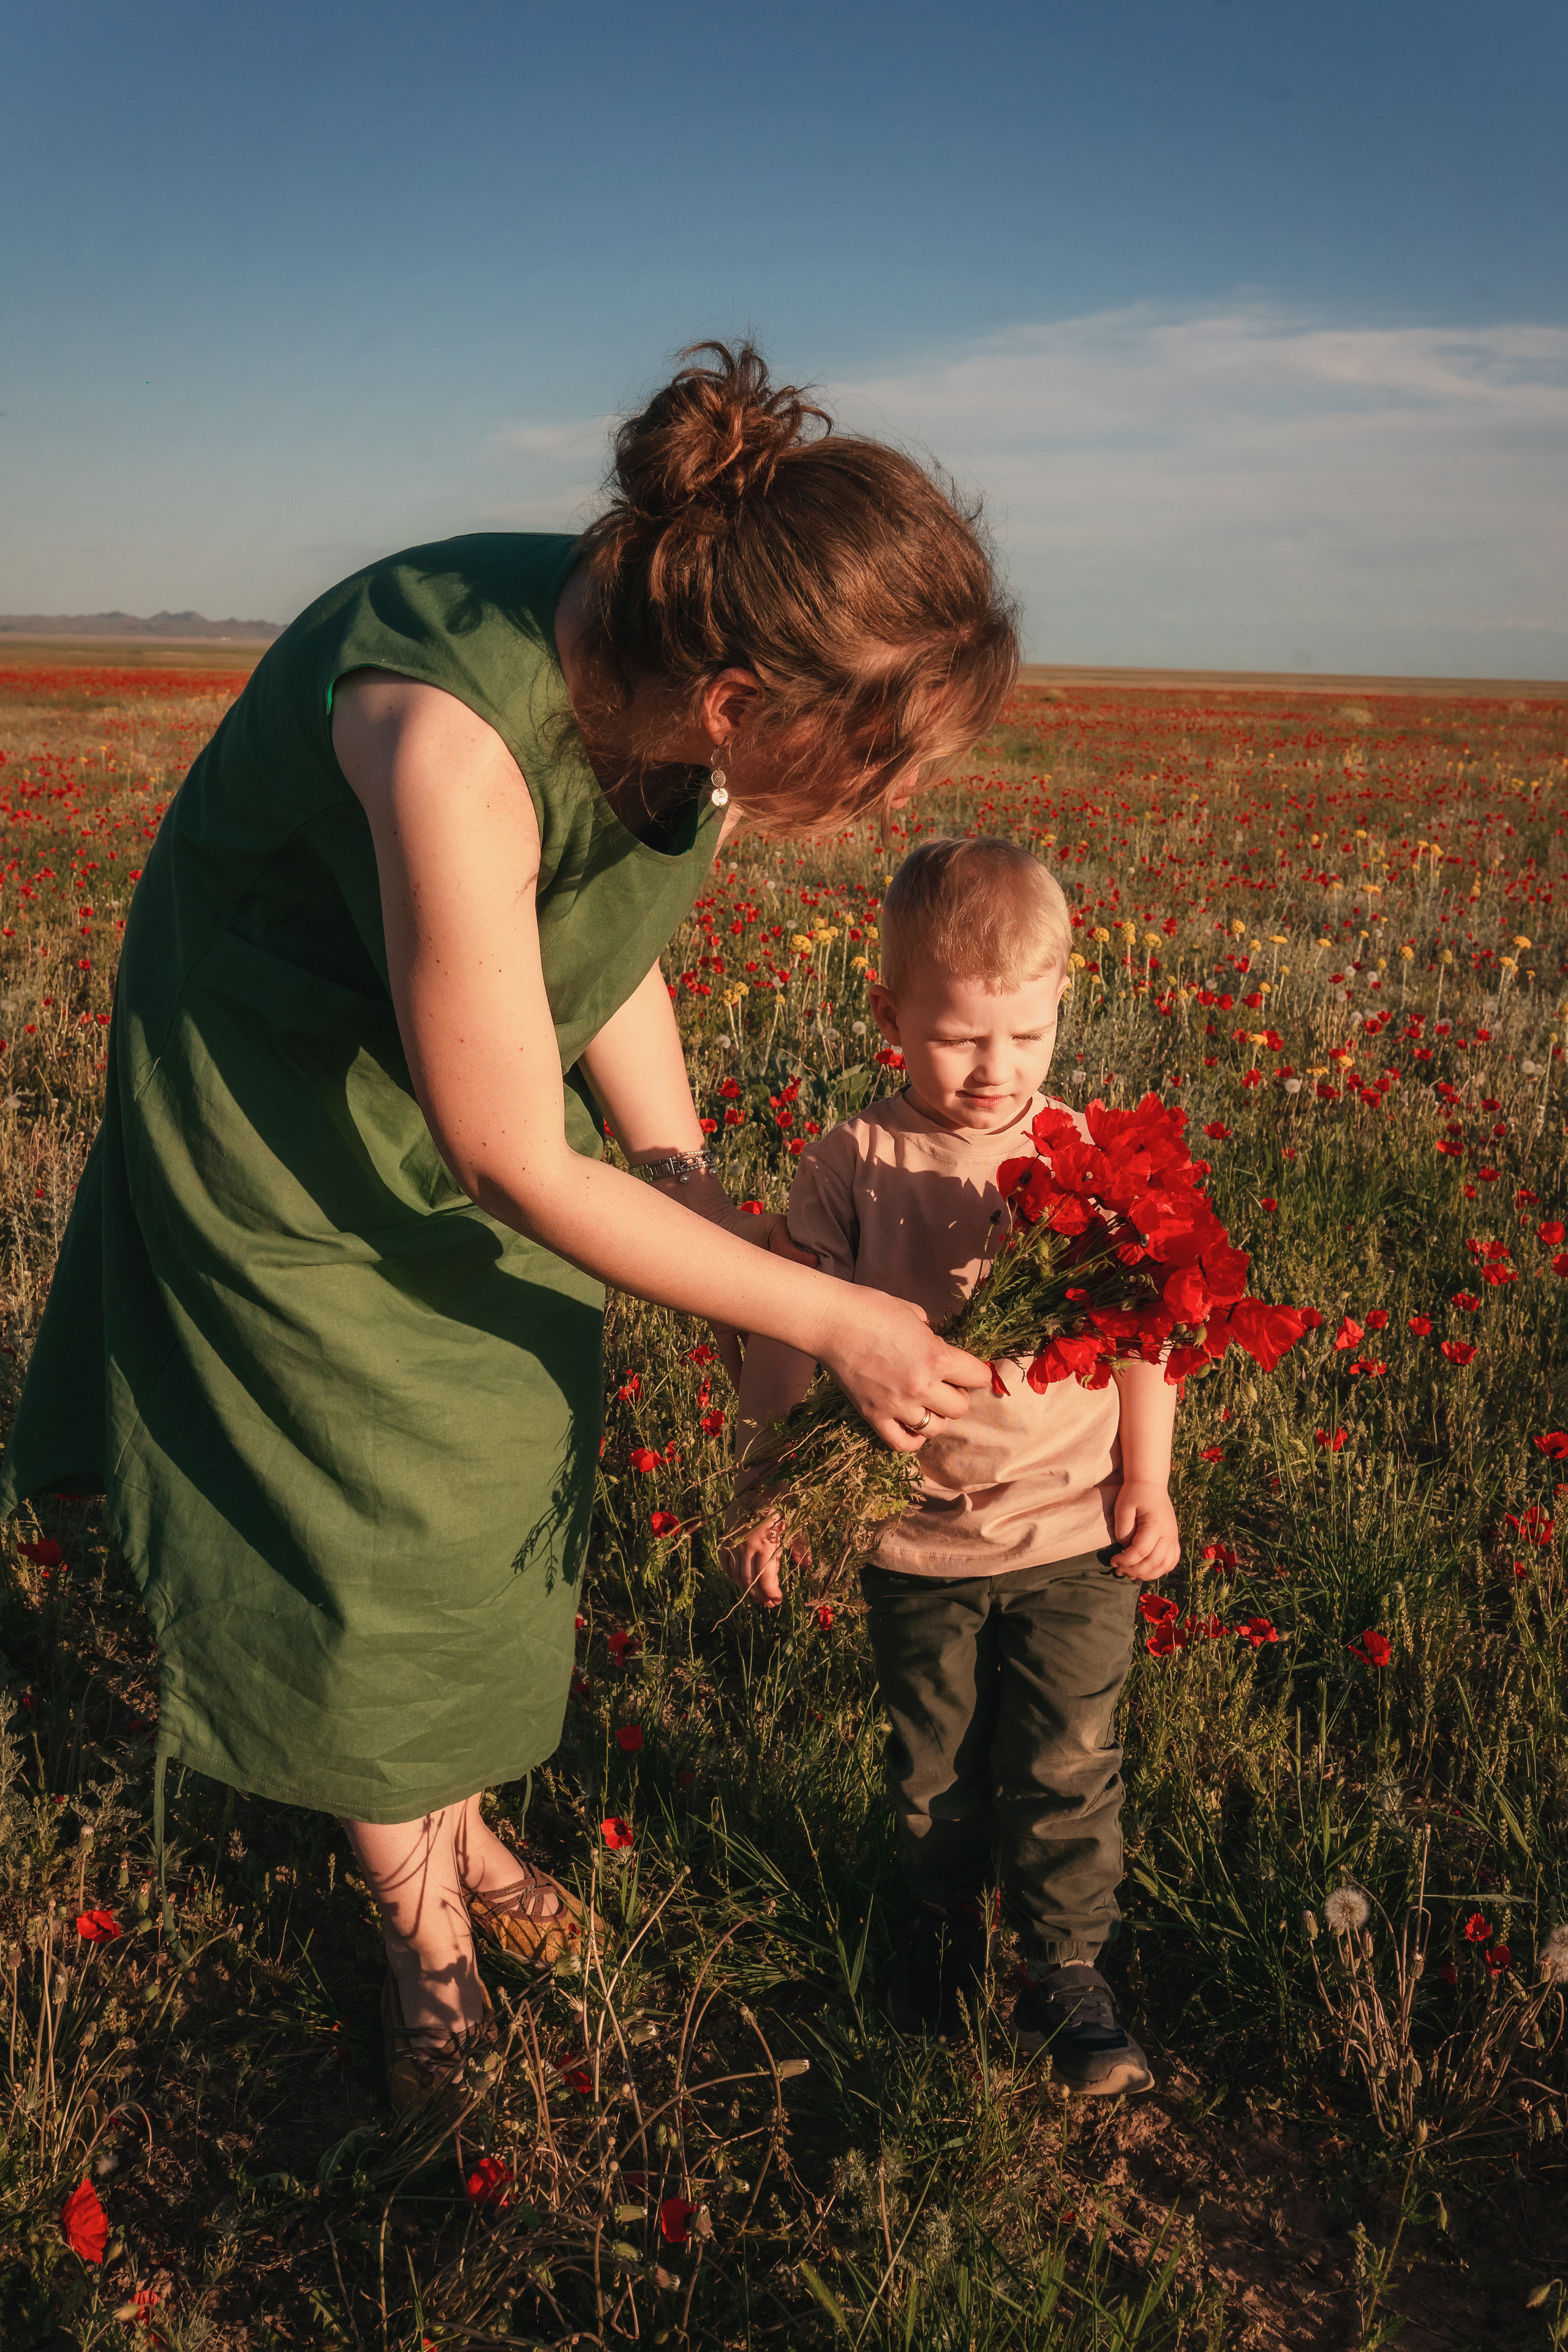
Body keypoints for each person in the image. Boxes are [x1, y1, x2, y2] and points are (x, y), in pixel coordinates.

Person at [0, 344, 1014, 2108]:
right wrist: (833, 1317)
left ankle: (454, 1833)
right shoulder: (442, 735)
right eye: (867, 758)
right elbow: (502, 1155)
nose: (889, 806)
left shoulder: (677, 653)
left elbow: (588, 935)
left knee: (494, 1444)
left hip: (458, 1051)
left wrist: (683, 1167)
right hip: (286, 1084)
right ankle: (421, 1935)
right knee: (377, 1508)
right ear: (739, 701)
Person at [725, 837, 1182, 2097]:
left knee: (1066, 1757)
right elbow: (782, 1326)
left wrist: (1145, 1480)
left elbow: (1147, 1335)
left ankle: (1064, 1968)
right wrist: (767, 1477)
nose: (996, 1074)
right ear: (887, 1016)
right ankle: (931, 1948)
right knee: (931, 1767)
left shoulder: (1088, 1159)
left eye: (1025, 1039)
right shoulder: (850, 1164)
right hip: (914, 1540)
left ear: (1059, 1010)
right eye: (960, 1041)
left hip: (1071, 1530)